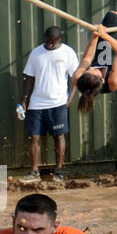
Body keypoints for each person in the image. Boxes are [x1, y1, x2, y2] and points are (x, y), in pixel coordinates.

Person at [20, 27, 79, 182]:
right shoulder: (36, 53)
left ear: (59, 39)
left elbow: (76, 78)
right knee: (34, 137)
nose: (49, 45)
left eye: (53, 42)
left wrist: (70, 98)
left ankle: (59, 172)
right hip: (36, 103)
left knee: (59, 136)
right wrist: (24, 100)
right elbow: (30, 79)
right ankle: (34, 172)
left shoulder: (68, 53)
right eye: (47, 41)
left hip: (58, 102)